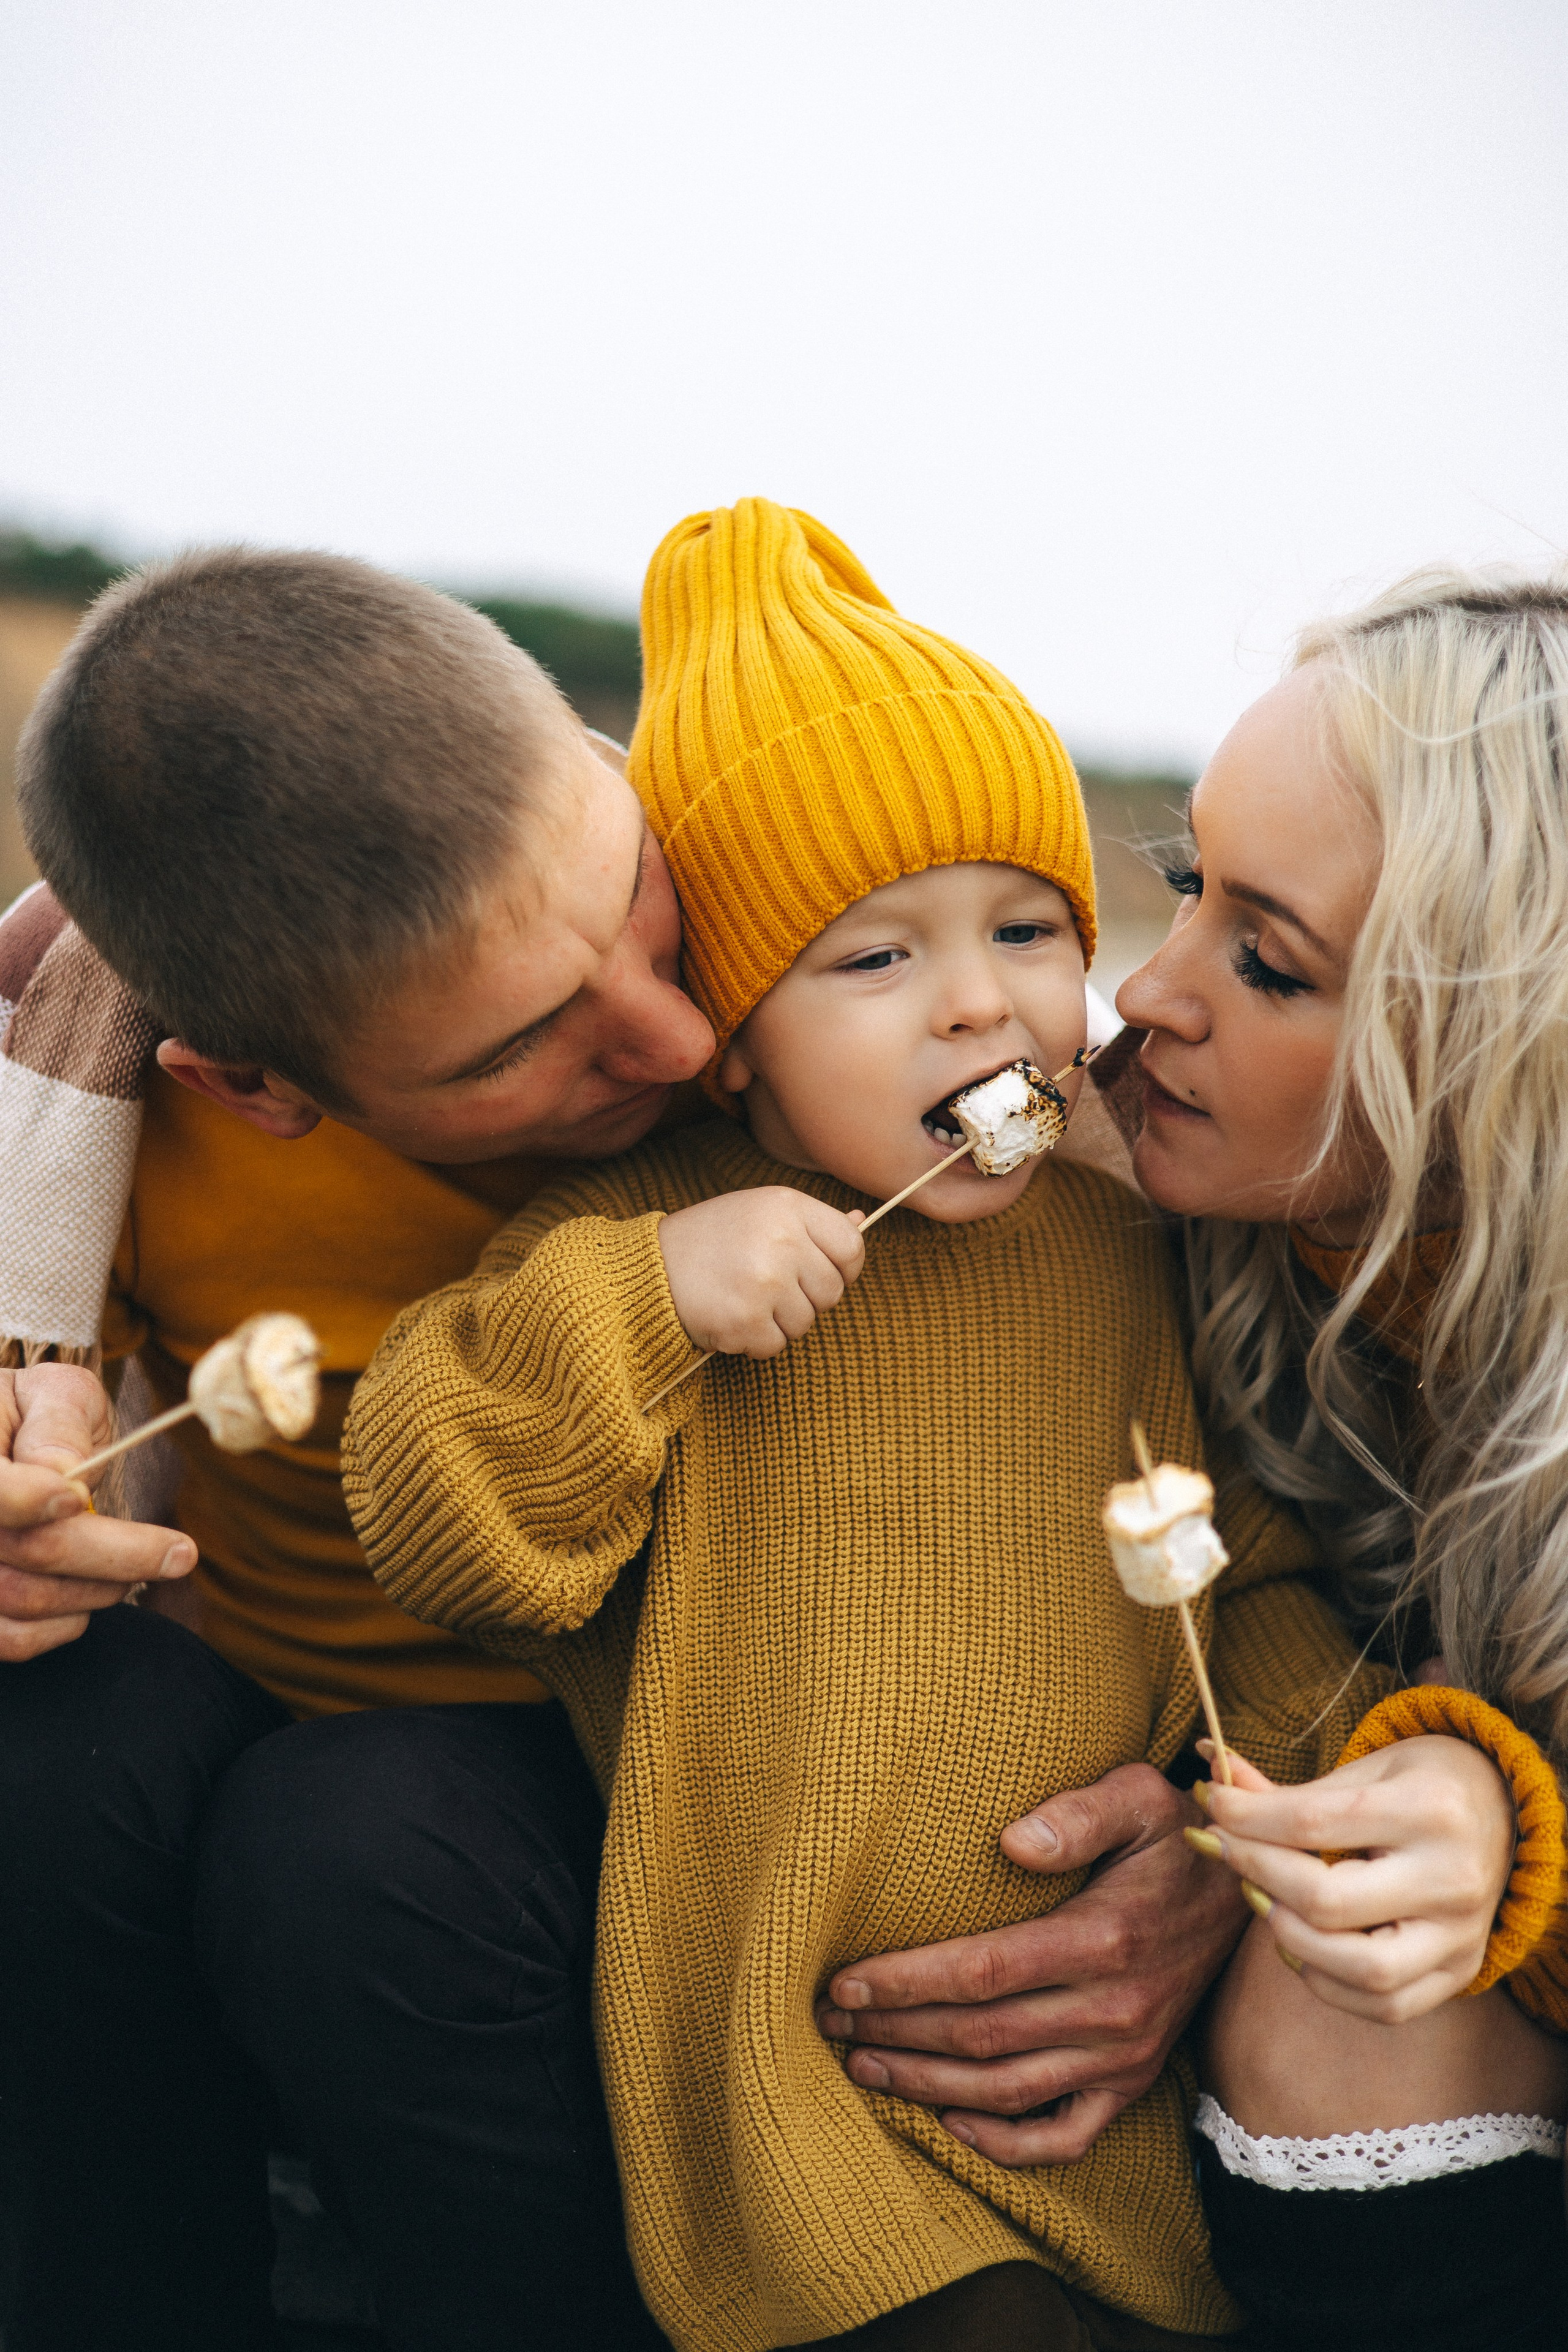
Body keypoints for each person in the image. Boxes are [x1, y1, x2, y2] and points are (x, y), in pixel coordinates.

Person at [0, 543, 1256, 2352]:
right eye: (530, 1041)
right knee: (100, 1764)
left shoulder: (840, 984)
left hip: (736, 1755)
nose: (679, 1035)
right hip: (368, 1744)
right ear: (256, 1086)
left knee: (350, 1843)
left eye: (652, 913)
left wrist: (1220, 1830)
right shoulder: (111, 1107)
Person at [342, 499, 1447, 2350]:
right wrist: (649, 1305)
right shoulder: (631, 1246)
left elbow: (1243, 1567)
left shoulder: (1122, 1245)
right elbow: (446, 1523)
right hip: (793, 2071)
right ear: (731, 1039)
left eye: (1029, 929)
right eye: (872, 964)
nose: (981, 1006)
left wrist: (1260, 1771)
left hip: (1107, 2083)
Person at [1100, 570, 1568, 2350]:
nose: (1147, 990)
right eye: (1184, 887)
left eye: (1266, 959)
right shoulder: (1136, 1177)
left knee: (1348, 2015)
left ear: (1497, 1047)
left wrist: (1521, 1841)